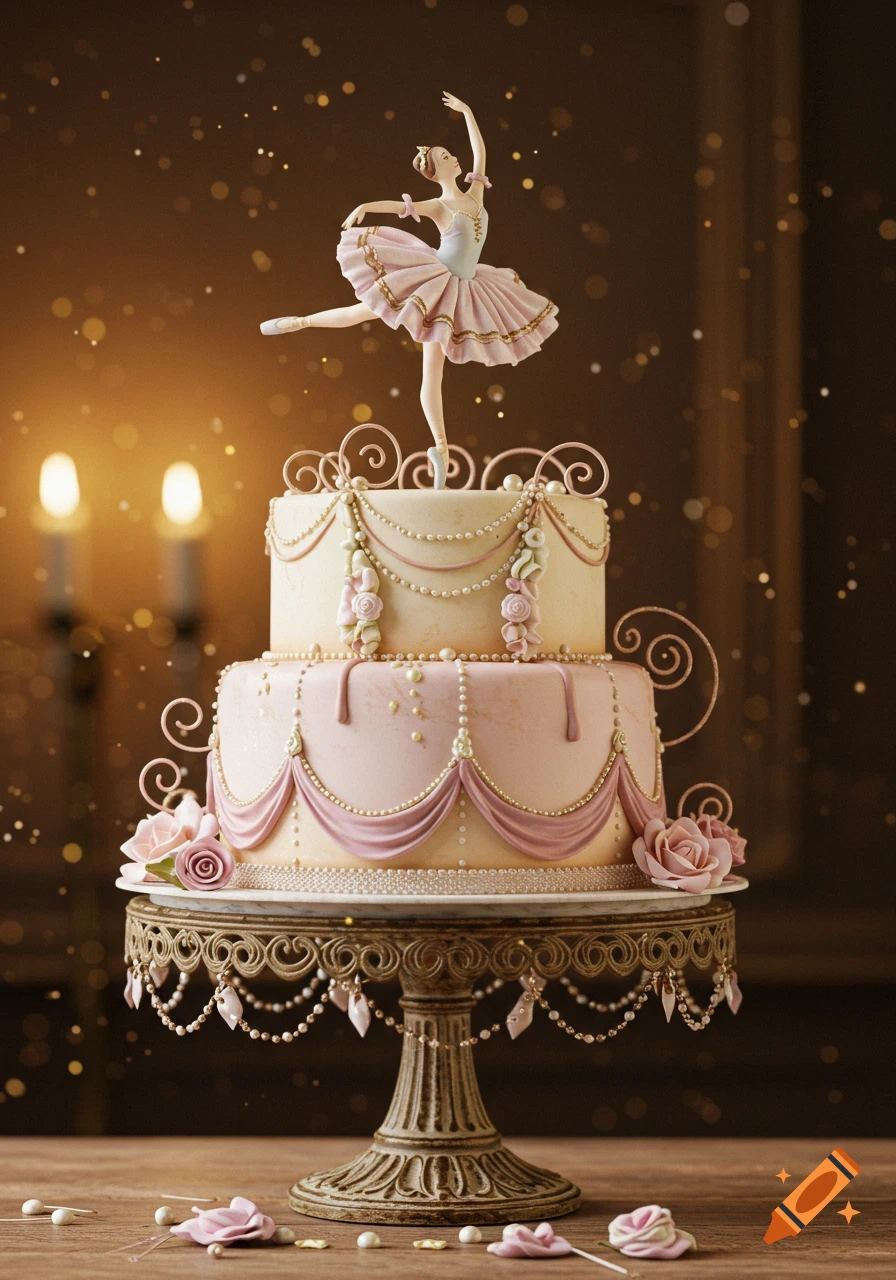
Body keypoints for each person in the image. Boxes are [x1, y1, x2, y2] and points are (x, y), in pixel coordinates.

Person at [260, 92, 558, 488]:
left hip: (467, 288)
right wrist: (365, 206)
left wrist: (469, 111)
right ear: (436, 170)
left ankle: (440, 449)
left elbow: (480, 150)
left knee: (432, 374)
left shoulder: (475, 193)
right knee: (360, 312)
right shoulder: (439, 206)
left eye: (452, 154)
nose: (454, 158)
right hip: (434, 284)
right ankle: (300, 321)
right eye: (445, 157)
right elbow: (403, 207)